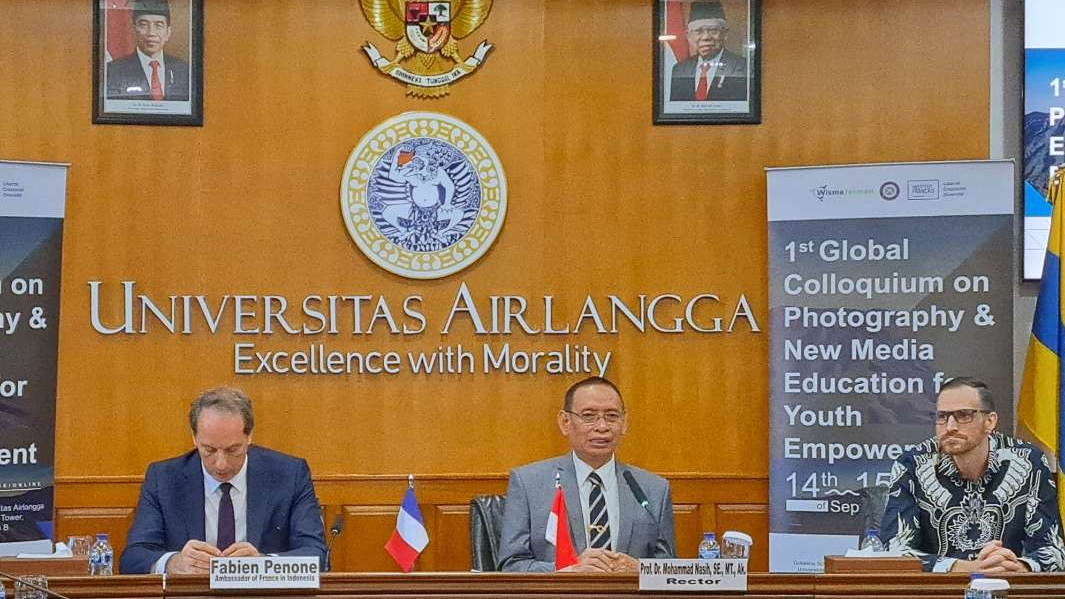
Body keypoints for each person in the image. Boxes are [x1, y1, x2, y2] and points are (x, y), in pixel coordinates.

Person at [119, 387, 326, 574]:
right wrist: (174, 562)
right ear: (194, 437)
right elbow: (133, 558)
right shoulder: (163, 479)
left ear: (249, 436)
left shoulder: (289, 474)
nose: (221, 464)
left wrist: (263, 564)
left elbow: (317, 555)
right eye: (208, 450)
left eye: (233, 450)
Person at [880, 377, 1065, 572]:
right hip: (938, 592)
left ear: (990, 421)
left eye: (963, 415)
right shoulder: (912, 465)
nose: (950, 426)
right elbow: (893, 551)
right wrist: (967, 568)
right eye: (942, 416)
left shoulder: (1028, 461)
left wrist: (1020, 567)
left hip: (1007, 586)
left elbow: (1055, 550)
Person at [497, 377, 675, 572]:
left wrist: (642, 570)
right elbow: (511, 566)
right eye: (589, 416)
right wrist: (571, 571)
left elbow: (668, 569)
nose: (602, 427)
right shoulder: (529, 484)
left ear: (624, 423)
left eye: (612, 416)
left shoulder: (654, 489)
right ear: (565, 422)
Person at [106, 0, 190, 101]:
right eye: (144, 25)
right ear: (133, 29)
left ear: (168, 32)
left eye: (158, 25)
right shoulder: (113, 71)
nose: (151, 33)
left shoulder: (184, 70)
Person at [669, 1, 748, 102]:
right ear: (689, 36)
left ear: (725, 34)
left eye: (713, 30)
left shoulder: (743, 67)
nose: (706, 37)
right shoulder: (679, 70)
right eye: (698, 31)